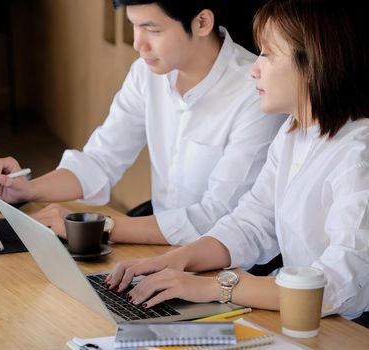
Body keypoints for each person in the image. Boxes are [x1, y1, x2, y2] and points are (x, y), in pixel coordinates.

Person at [105, 0, 369, 322]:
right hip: (303, 317)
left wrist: (218, 288)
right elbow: (252, 221)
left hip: (350, 326)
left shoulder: (359, 155)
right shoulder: (293, 131)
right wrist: (179, 260)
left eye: (268, 54)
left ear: (313, 65)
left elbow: (338, 285)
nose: (255, 68)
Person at [0, 0, 286, 245]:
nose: (138, 44)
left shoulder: (255, 91)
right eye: (133, 27)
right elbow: (101, 161)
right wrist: (27, 190)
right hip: (158, 237)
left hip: (226, 262)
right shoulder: (147, 73)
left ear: (202, 22)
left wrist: (98, 227)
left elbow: (215, 218)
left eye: (151, 29)